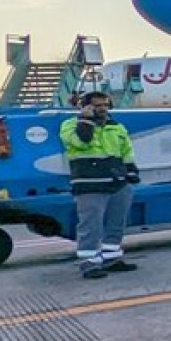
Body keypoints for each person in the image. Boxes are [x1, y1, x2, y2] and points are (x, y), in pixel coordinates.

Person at [60, 92, 138, 279]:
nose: (102, 108)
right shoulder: (70, 125)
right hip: (90, 184)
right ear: (85, 107)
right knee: (90, 225)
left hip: (117, 183)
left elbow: (126, 151)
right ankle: (89, 264)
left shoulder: (116, 127)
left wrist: (131, 172)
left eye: (105, 105)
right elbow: (81, 142)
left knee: (116, 223)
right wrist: (86, 121)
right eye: (97, 105)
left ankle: (112, 258)